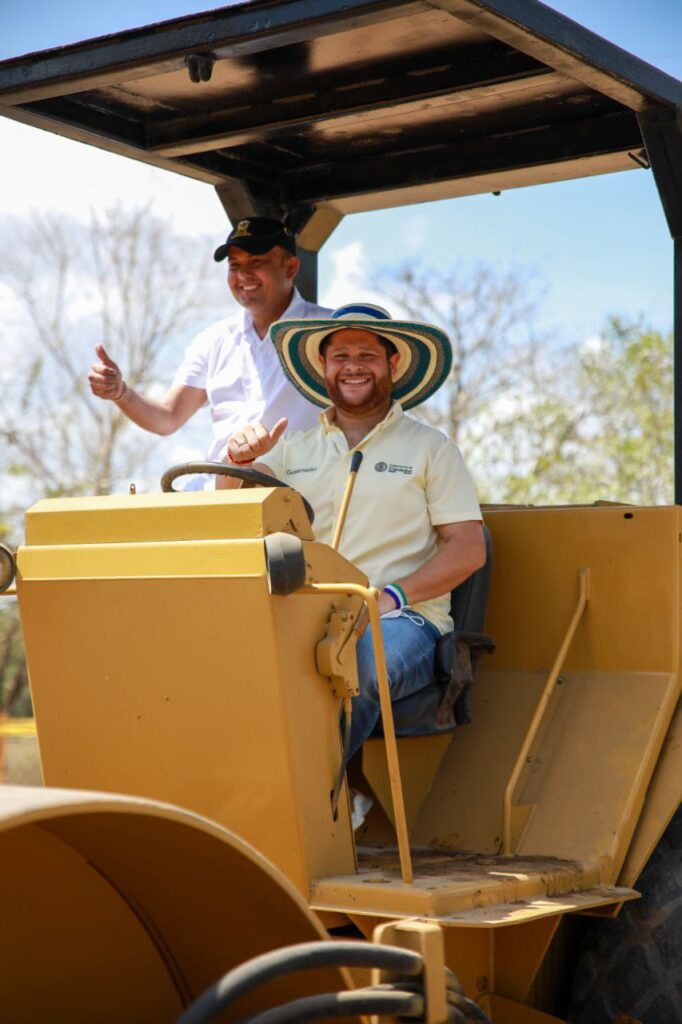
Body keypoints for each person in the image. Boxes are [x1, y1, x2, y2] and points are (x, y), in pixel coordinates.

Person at [218, 303, 486, 758]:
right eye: (341, 356)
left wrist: (389, 597)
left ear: (392, 364)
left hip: (403, 619)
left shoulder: (431, 449)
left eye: (367, 356)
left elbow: (468, 549)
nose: (353, 367)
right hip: (308, 616)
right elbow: (231, 510)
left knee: (352, 664)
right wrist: (237, 463)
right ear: (323, 366)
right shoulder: (292, 450)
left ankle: (322, 809)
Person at [87, 217, 331, 470]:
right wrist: (120, 393)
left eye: (256, 262)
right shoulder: (214, 340)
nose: (243, 275)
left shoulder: (330, 330)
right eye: (234, 265)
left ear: (290, 267)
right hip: (225, 493)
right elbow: (168, 417)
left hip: (304, 496)